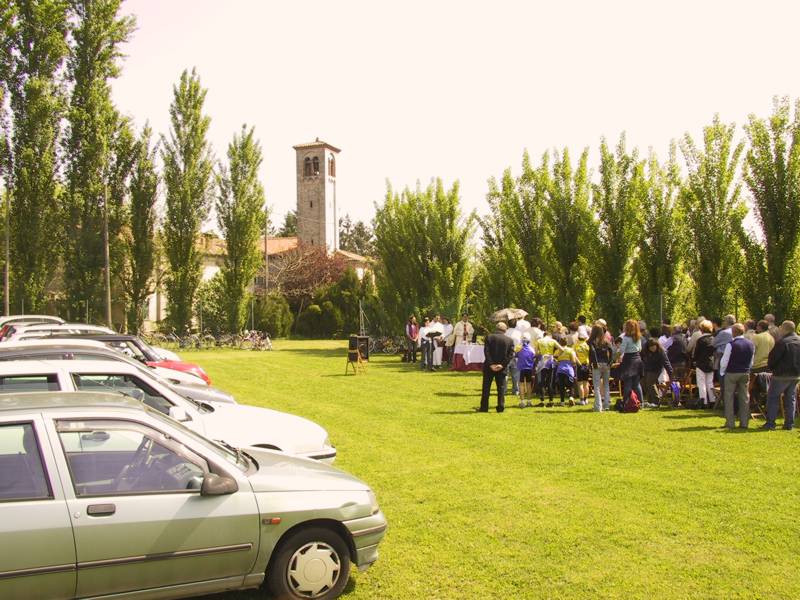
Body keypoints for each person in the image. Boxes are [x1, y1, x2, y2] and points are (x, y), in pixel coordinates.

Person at [763, 320, 800, 430]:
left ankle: (770, 423)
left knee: (773, 398)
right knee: (790, 399)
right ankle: (789, 424)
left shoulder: (782, 342)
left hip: (781, 375)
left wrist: (771, 368)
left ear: (784, 329)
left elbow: (773, 358)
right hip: (795, 375)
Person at [719, 323, 755, 429]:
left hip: (732, 372)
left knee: (729, 397)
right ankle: (744, 422)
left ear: (734, 332)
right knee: (744, 397)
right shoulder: (750, 344)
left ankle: (730, 422)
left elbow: (725, 360)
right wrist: (748, 369)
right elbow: (751, 360)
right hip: (745, 372)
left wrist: (722, 372)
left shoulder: (731, 344)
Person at [479, 322, 515, 413]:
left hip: (489, 367)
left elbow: (486, 352)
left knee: (486, 388)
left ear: (496, 328)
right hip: (501, 368)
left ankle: (484, 407)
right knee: (501, 388)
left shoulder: (489, 337)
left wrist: (491, 364)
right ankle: (501, 406)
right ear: (505, 330)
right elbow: (510, 355)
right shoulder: (509, 340)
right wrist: (502, 365)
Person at [641, 330, 673, 408]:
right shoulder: (645, 350)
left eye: (653, 347)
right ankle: (650, 400)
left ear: (656, 345)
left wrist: (671, 374)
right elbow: (641, 358)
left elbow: (666, 363)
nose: (652, 348)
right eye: (650, 347)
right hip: (646, 368)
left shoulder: (661, 352)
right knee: (643, 382)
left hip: (656, 369)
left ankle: (656, 400)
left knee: (650, 382)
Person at [616, 319, 644, 406]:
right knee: (636, 384)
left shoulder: (626, 338)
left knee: (627, 383)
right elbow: (640, 349)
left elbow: (622, 350)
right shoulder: (638, 337)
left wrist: (616, 354)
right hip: (638, 359)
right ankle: (641, 402)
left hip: (629, 360)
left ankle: (626, 402)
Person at [535, 328, 563, 407]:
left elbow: (536, 353)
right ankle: (551, 401)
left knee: (542, 381)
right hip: (550, 361)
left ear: (544, 335)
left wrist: (540, 353)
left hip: (543, 361)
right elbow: (562, 349)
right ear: (550, 335)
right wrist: (556, 356)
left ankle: (542, 401)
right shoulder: (553, 341)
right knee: (550, 382)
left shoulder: (539, 341)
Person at [691, 320, 716, 408]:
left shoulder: (700, 340)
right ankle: (712, 400)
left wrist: (694, 360)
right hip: (710, 363)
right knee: (710, 383)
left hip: (701, 363)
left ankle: (703, 401)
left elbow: (696, 353)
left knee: (701, 383)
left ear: (702, 329)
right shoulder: (714, 339)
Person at [588, 324, 613, 411]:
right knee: (606, 385)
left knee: (597, 386)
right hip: (606, 364)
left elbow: (593, 352)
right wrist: (610, 362)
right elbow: (611, 351)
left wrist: (594, 363)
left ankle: (598, 406)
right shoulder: (606, 341)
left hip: (597, 364)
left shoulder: (592, 342)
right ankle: (606, 405)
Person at [516, 332, 535, 408]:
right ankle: (529, 401)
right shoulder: (532, 349)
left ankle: (522, 401)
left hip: (521, 368)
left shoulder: (518, 348)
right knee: (528, 384)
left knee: (521, 385)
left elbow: (515, 356)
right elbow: (534, 357)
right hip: (529, 368)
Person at [505, 319, 523, 396]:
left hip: (506, 355)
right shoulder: (519, 333)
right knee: (516, 374)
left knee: (505, 374)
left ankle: (504, 390)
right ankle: (516, 390)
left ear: (507, 324)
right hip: (516, 354)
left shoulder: (505, 332)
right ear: (516, 325)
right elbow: (521, 344)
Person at [573, 332, 590, 405]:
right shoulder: (587, 345)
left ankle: (582, 400)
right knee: (586, 383)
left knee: (580, 384)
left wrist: (579, 363)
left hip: (579, 365)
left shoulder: (575, 345)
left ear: (578, 338)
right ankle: (586, 399)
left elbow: (574, 356)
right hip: (587, 365)